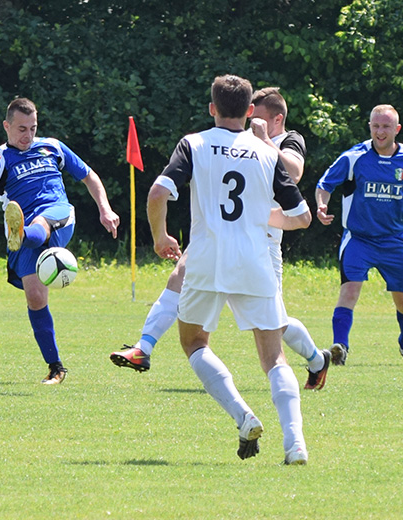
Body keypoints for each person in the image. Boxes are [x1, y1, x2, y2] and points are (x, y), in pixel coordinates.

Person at [111, 87, 331, 390]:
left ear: (276, 120)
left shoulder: (286, 141)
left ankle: (317, 359)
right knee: (179, 276)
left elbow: (294, 172)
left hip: (261, 243)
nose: (252, 120)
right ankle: (143, 348)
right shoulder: (232, 142)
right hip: (220, 235)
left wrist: (263, 139)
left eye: (260, 117)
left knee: (274, 324)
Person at [146, 75, 312, 464]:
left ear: (212, 109)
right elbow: (301, 217)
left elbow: (157, 193)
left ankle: (243, 415)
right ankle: (296, 445)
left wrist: (160, 236)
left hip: (206, 261)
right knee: (274, 359)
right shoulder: (267, 153)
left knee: (194, 343)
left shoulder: (195, 143)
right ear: (250, 112)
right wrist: (261, 216)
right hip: (255, 261)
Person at [0, 97, 120, 385]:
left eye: (32, 128)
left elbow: (89, 176)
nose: (27, 135)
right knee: (36, 298)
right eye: (21, 129)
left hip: (58, 214)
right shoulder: (0, 158)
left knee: (38, 224)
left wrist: (105, 209)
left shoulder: (52, 147)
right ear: (6, 126)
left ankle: (22, 233)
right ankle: (56, 368)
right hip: (25, 230)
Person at [315, 104, 403, 367]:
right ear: (370, 126)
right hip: (358, 239)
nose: (380, 132)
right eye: (376, 126)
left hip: (394, 241)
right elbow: (324, 184)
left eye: (386, 126)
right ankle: (340, 347)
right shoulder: (353, 157)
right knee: (348, 292)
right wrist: (321, 206)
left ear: (397, 129)